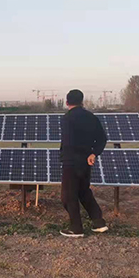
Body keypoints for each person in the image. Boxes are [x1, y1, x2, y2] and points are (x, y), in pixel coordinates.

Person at [60, 89, 108, 237]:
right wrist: (94, 153)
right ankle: (99, 222)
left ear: (67, 102)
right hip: (86, 161)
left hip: (71, 161)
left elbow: (68, 141)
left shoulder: (67, 119)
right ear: (82, 102)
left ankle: (76, 228)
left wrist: (65, 156)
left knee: (69, 195)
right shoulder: (91, 117)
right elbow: (102, 138)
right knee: (84, 191)